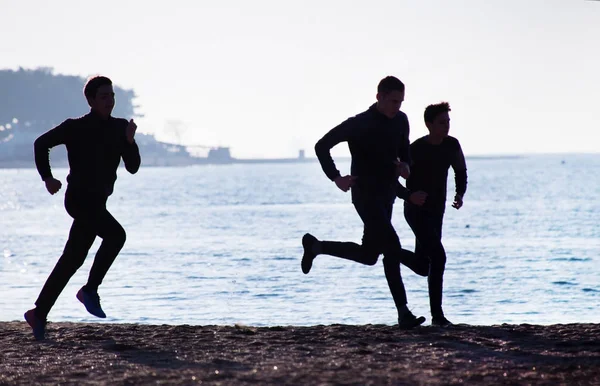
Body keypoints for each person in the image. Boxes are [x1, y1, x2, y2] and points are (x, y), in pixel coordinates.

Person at [301, 76, 430, 329]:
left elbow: (405, 154)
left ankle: (316, 246)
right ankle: (404, 313)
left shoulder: (401, 121)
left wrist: (405, 167)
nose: (397, 106)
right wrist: (336, 178)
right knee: (392, 246)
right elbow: (321, 146)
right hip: (365, 196)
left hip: (387, 196)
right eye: (393, 101)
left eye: (401, 102)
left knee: (370, 255)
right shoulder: (359, 124)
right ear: (379, 97)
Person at [24, 76, 141, 340]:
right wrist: (47, 177)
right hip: (78, 199)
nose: (109, 101)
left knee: (73, 259)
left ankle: (38, 313)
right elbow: (41, 144)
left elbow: (133, 167)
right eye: (103, 97)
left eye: (112, 96)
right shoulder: (75, 127)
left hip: (98, 202)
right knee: (116, 235)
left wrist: (130, 142)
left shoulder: (120, 128)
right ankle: (89, 290)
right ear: (90, 101)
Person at [403, 101, 467, 327]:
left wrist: (460, 195)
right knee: (438, 257)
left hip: (437, 211)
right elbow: (402, 175)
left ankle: (391, 252)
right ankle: (437, 316)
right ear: (429, 124)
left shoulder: (451, 145)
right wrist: (409, 193)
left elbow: (460, 170)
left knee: (423, 265)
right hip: (416, 210)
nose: (446, 126)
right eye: (441, 122)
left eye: (448, 122)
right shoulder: (416, 148)